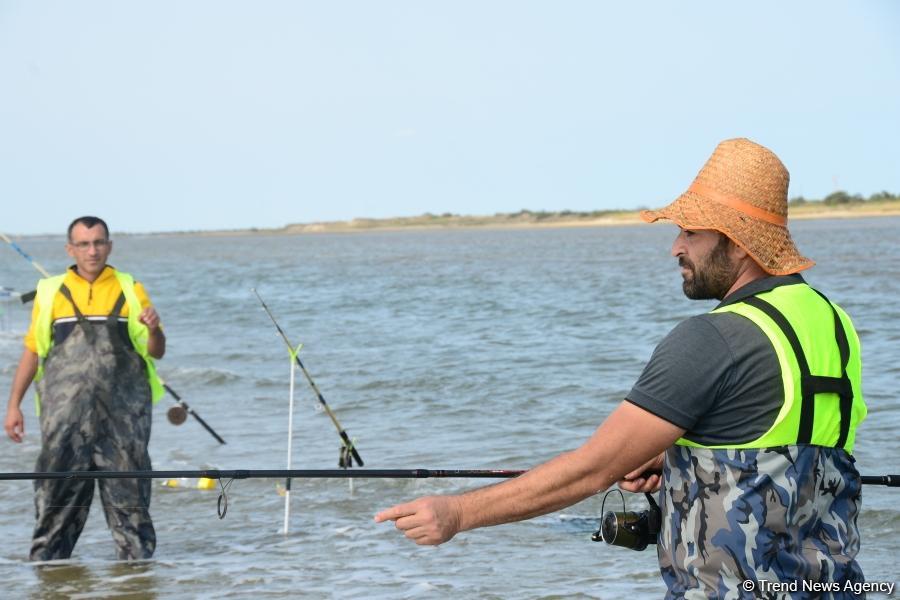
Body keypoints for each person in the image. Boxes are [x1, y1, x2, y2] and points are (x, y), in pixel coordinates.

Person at [375, 138, 867, 597]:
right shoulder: (834, 324)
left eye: (691, 232)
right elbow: (792, 445)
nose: (676, 247)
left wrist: (456, 513)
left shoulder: (711, 338)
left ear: (739, 243)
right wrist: (680, 455)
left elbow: (590, 471)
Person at [4, 216, 166, 561]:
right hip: (64, 425)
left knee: (132, 516)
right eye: (84, 243)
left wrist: (154, 330)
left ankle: (135, 587)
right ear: (70, 248)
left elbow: (156, 352)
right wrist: (13, 405)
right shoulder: (49, 292)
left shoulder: (129, 288)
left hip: (124, 426)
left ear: (109, 245)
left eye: (98, 242)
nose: (92, 251)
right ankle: (52, 585)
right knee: (54, 513)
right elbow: (33, 351)